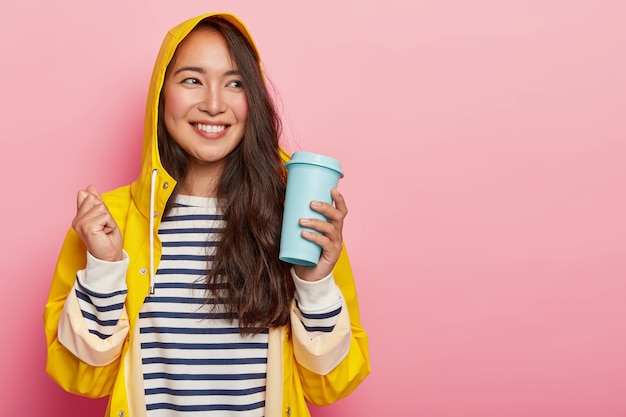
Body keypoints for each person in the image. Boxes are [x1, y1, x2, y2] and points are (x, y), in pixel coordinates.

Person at [43, 11, 370, 417]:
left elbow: (331, 383)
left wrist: (315, 284)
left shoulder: (294, 218)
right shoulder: (110, 222)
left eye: (234, 83)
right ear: (163, 94)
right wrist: (104, 268)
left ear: (253, 99)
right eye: (192, 80)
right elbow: (81, 374)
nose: (214, 105)